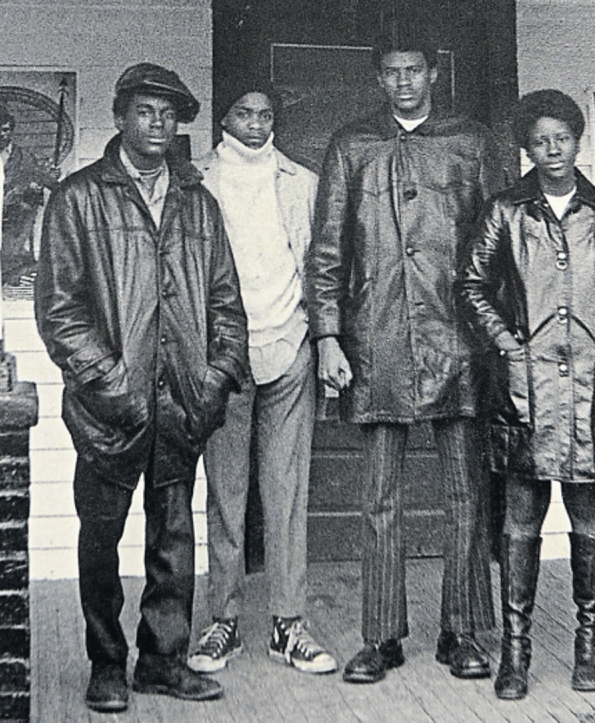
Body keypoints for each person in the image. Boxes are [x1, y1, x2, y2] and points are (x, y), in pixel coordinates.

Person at [35, 62, 250, 713]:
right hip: (108, 411)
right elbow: (60, 310)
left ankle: (161, 659)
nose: (158, 125)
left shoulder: (198, 202)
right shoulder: (78, 198)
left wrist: (212, 383)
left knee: (172, 541)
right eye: (146, 112)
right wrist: (112, 383)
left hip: (181, 406)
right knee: (100, 541)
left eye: (169, 114)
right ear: (121, 115)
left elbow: (226, 304)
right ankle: (106, 662)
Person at [307, 30, 513, 685]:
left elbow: (500, 245)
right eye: (391, 72)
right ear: (378, 78)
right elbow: (327, 250)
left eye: (414, 70)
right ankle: (379, 636)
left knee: (464, 496)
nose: (403, 82)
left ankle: (463, 632)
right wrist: (329, 335)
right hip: (376, 340)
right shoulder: (352, 145)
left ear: (434, 72)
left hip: (458, 339)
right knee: (379, 500)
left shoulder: (471, 141)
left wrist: (497, 334)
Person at [458, 89, 595, 700]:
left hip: (589, 389)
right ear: (526, 148)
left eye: (562, 139)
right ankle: (516, 653)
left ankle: (588, 644)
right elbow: (471, 284)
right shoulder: (505, 210)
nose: (552, 151)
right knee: (520, 520)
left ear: (578, 141)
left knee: (589, 517)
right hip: (525, 390)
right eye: (540, 142)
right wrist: (506, 345)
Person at [187, 85, 336, 675]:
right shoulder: (196, 181)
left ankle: (289, 624)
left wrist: (320, 338)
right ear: (225, 117)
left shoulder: (298, 181)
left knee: (286, 492)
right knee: (225, 495)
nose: (255, 124)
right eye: (244, 114)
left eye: (266, 115)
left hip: (288, 347)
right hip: (222, 356)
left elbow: (319, 265)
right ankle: (222, 621)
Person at [0, 105, 60, 286]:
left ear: (11, 131)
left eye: (5, 130)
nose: (1, 134)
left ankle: (12, 272)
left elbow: (48, 181)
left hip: (15, 216)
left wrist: (51, 177)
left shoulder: (24, 157)